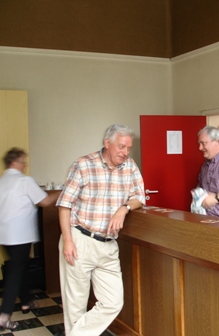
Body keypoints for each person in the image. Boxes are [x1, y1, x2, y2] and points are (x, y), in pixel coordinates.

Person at [56, 124, 145, 336]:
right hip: (80, 240)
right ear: (107, 144)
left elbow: (139, 197)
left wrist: (124, 209)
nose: (125, 152)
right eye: (121, 147)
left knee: (113, 302)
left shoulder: (130, 167)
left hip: (108, 245)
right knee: (75, 306)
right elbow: (64, 204)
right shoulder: (83, 165)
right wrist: (68, 240)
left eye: (128, 148)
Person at [0, 147, 59, 332]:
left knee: (19, 265)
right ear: (14, 163)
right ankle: (3, 317)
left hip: (1, 236)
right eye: (23, 161)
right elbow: (45, 202)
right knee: (15, 272)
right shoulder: (25, 181)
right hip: (20, 236)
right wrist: (61, 191)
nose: (25, 165)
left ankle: (26, 302)